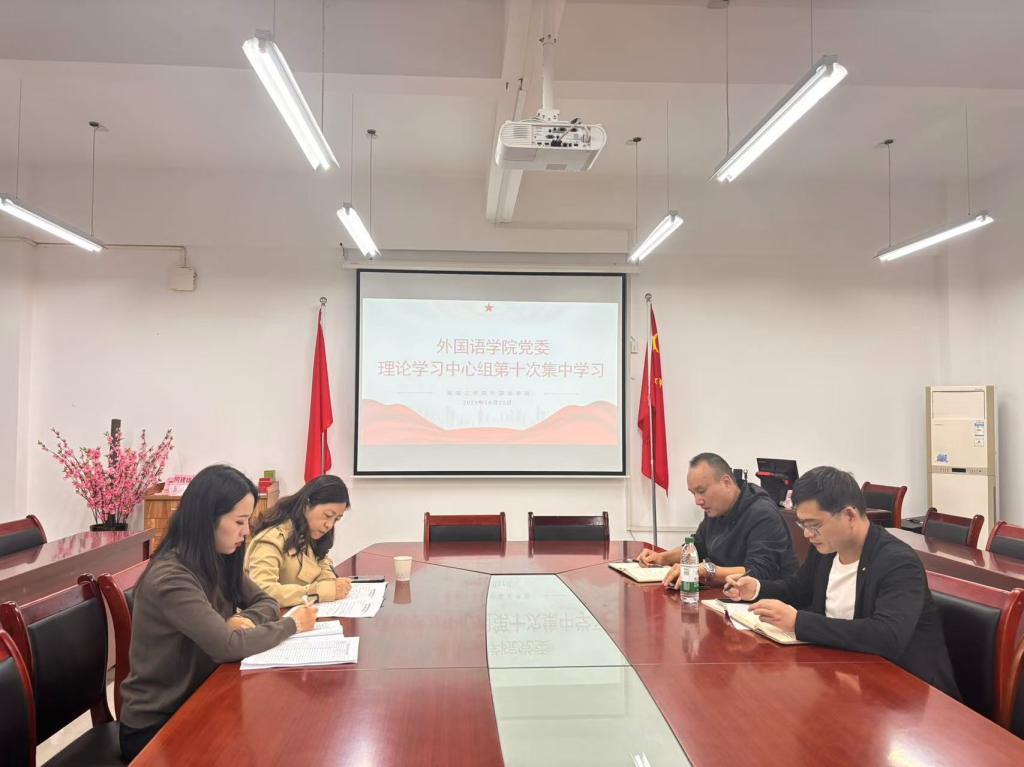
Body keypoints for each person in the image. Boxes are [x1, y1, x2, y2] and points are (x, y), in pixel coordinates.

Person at [119, 465, 317, 761]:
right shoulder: (172, 578)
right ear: (207, 519)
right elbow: (227, 646)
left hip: (200, 697)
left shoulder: (218, 557)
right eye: (239, 521)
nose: (246, 531)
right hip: (157, 725)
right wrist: (293, 625)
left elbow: (266, 601)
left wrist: (246, 620)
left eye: (247, 521)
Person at [723, 466, 960, 698]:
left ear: (849, 515)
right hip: (847, 675)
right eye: (802, 525)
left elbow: (887, 636)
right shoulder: (826, 551)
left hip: (908, 694)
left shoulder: (898, 562)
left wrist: (798, 622)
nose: (807, 534)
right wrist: (756, 588)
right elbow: (798, 589)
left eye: (814, 525)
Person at [637, 453, 798, 587]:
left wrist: (707, 570)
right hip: (726, 597)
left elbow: (757, 573)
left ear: (726, 482)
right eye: (693, 493)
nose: (697, 501)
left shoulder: (762, 514)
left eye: (701, 491)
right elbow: (697, 547)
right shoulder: (716, 509)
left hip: (765, 605)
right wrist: (661, 558)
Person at [245, 474, 352, 607]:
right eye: (328, 515)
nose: (329, 525)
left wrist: (331, 585)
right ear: (306, 504)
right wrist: (320, 591)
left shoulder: (309, 532)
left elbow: (322, 562)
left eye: (336, 519)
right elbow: (264, 592)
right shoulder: (271, 539)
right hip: (271, 617)